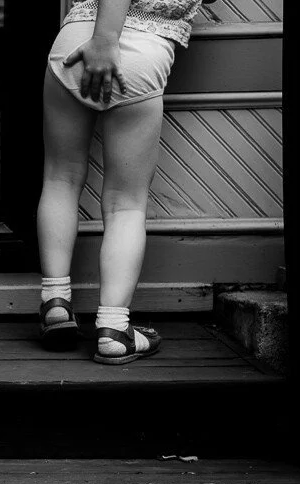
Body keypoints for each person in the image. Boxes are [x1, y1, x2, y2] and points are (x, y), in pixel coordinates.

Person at [37, 0, 207, 363]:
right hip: (129, 47)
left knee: (60, 179)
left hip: (75, 40)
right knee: (125, 204)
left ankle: (56, 303)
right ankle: (114, 330)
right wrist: (105, 39)